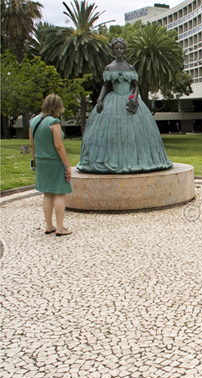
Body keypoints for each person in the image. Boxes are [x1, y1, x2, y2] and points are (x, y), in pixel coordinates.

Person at [77, 38, 173, 174]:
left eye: (121, 48)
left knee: (136, 133)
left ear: (124, 50)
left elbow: (136, 86)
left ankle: (137, 160)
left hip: (129, 101)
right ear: (113, 50)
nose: (119, 51)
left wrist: (135, 97)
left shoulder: (130, 68)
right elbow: (105, 86)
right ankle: (111, 160)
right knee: (110, 132)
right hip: (113, 101)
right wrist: (100, 100)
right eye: (117, 48)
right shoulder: (109, 68)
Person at [29, 94, 72, 236]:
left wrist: (34, 160)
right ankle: (60, 227)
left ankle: (49, 225)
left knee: (47, 193)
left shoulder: (33, 121)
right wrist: (67, 165)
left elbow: (31, 144)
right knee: (59, 193)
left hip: (41, 161)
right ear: (58, 106)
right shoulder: (54, 122)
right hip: (54, 162)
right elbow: (59, 146)